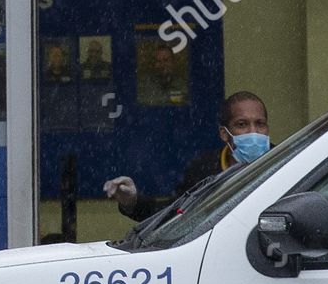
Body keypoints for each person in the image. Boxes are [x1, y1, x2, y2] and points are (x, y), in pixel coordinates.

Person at [105, 91, 270, 222]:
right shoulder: (203, 170)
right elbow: (174, 214)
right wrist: (133, 202)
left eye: (260, 124)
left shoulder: (286, 163)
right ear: (223, 133)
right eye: (242, 124)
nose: (253, 132)